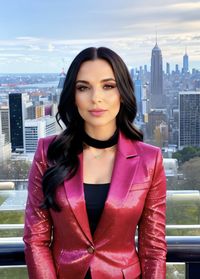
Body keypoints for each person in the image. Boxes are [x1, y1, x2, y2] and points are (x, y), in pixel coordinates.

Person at [23, 47, 167, 279]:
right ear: (73, 95)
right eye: (83, 87)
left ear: (123, 92)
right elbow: (35, 239)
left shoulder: (149, 160)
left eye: (108, 86)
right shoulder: (47, 152)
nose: (95, 98)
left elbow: (153, 248)